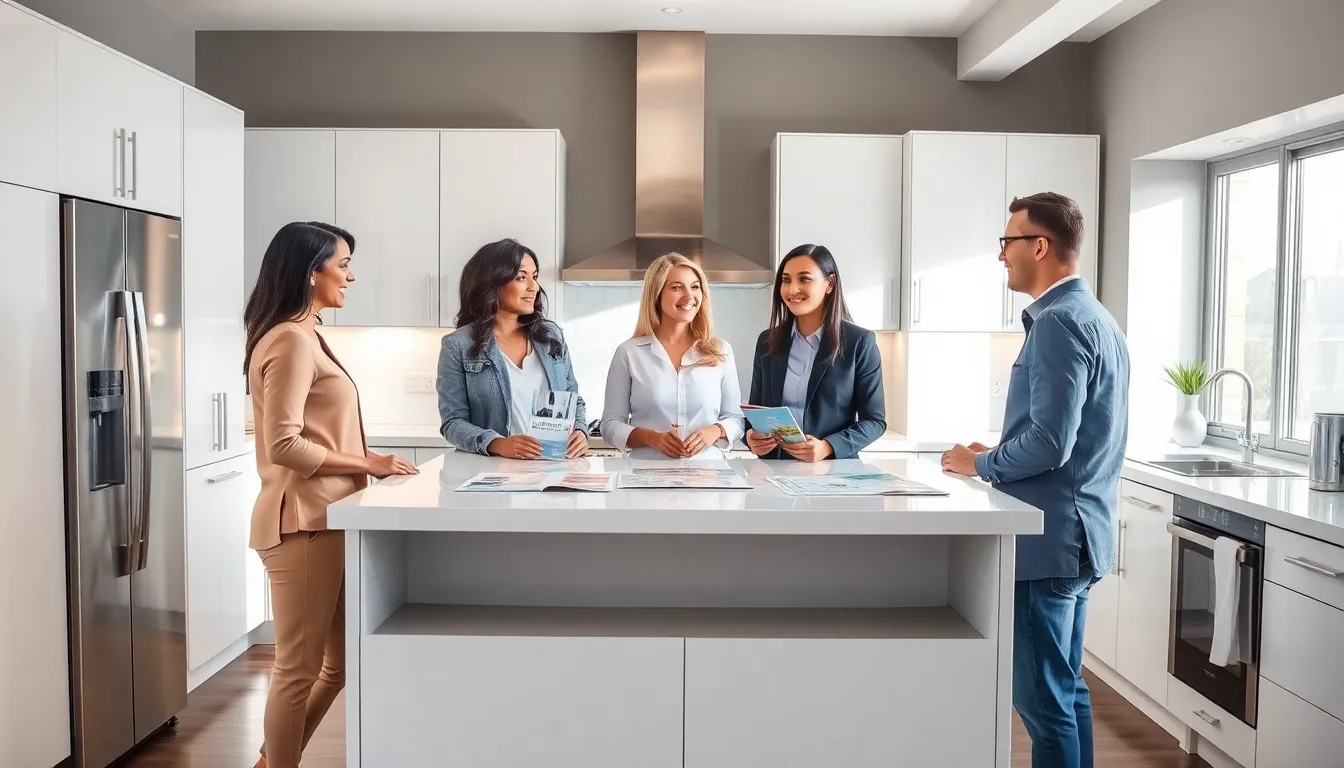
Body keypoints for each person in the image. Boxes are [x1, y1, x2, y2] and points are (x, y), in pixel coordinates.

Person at [941, 192, 1129, 768]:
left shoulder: (1058, 323)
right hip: (1079, 534)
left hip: (1048, 543)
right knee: (1065, 693)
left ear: (1039, 246)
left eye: (1007, 241)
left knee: (1043, 703)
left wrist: (982, 465)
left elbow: (1051, 443)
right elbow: (1068, 434)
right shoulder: (1096, 317)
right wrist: (998, 450)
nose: (1001, 256)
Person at [243, 221, 418, 768]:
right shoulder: (291, 340)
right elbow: (284, 443)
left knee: (336, 668)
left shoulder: (305, 332)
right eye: (342, 263)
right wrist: (370, 462)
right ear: (309, 270)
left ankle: (273, 762)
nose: (351, 274)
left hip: (325, 521)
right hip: (301, 524)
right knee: (296, 669)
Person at [436, 238, 589, 458]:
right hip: (494, 474)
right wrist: (498, 444)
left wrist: (581, 431)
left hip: (553, 468)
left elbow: (573, 398)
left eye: (534, 277)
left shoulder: (551, 336)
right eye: (521, 277)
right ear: (492, 282)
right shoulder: (457, 345)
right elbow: (452, 422)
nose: (533, 287)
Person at [745, 244, 886, 461]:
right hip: (774, 470)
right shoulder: (767, 341)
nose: (792, 290)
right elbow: (755, 413)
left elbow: (875, 421)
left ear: (830, 284)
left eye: (804, 279)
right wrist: (751, 437)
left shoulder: (859, 343)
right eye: (786, 280)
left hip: (832, 472)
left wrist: (828, 446)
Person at [601, 252, 745, 460]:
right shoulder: (629, 353)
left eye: (695, 287)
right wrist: (651, 437)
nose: (689, 296)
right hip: (645, 477)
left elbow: (736, 419)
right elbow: (610, 425)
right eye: (676, 287)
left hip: (708, 478)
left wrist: (714, 431)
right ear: (656, 294)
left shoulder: (721, 350)